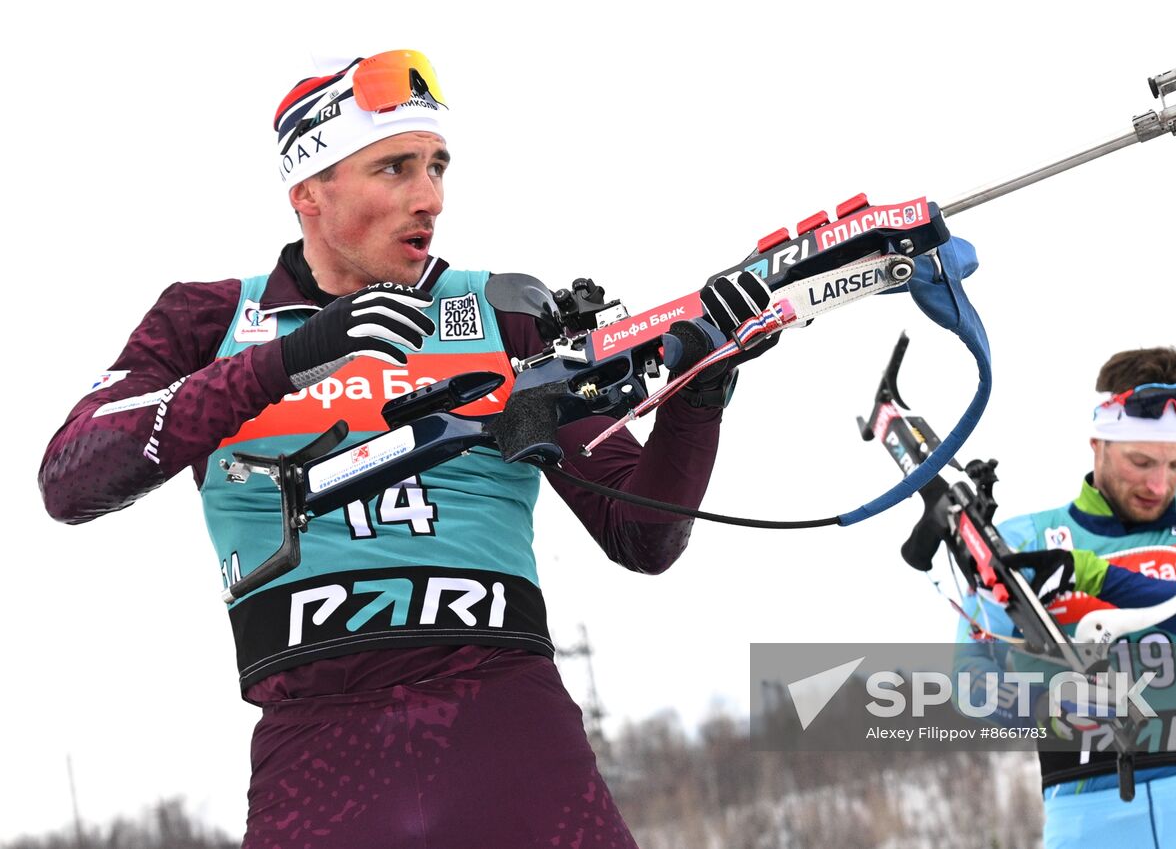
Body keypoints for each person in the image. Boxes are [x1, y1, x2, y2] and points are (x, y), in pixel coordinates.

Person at [38, 50, 770, 848]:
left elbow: (644, 533)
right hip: (318, 756)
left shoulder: (503, 313)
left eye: (437, 166)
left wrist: (698, 396)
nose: (430, 198)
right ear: (308, 192)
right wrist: (292, 357)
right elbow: (72, 479)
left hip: (509, 730)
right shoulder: (208, 321)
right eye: (394, 168)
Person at [954, 347, 1176, 848]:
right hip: (1085, 813)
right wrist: (1048, 706)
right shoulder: (1028, 539)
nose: (1159, 484)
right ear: (1098, 442)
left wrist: (1094, 575)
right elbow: (970, 680)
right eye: (1141, 461)